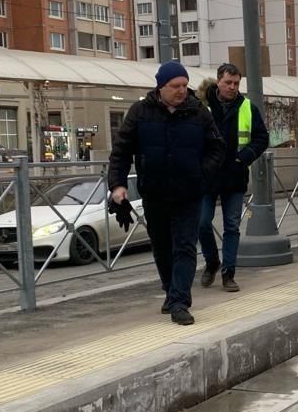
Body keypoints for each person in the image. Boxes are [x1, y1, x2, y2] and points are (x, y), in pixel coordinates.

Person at [108, 61, 225, 325]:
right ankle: (170, 290)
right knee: (161, 246)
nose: (182, 91)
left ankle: (180, 301)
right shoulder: (140, 112)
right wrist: (118, 186)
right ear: (161, 86)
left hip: (189, 192)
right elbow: (121, 150)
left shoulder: (199, 112)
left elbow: (217, 148)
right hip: (155, 192)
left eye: (185, 85)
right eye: (176, 86)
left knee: (185, 245)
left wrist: (200, 172)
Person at [199, 63, 269, 292]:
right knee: (201, 222)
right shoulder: (202, 106)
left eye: (236, 83)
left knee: (232, 226)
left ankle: (229, 274)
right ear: (218, 81)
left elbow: (261, 138)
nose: (232, 87)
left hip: (234, 176)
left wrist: (243, 157)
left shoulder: (248, 107)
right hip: (207, 176)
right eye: (228, 82)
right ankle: (212, 262)